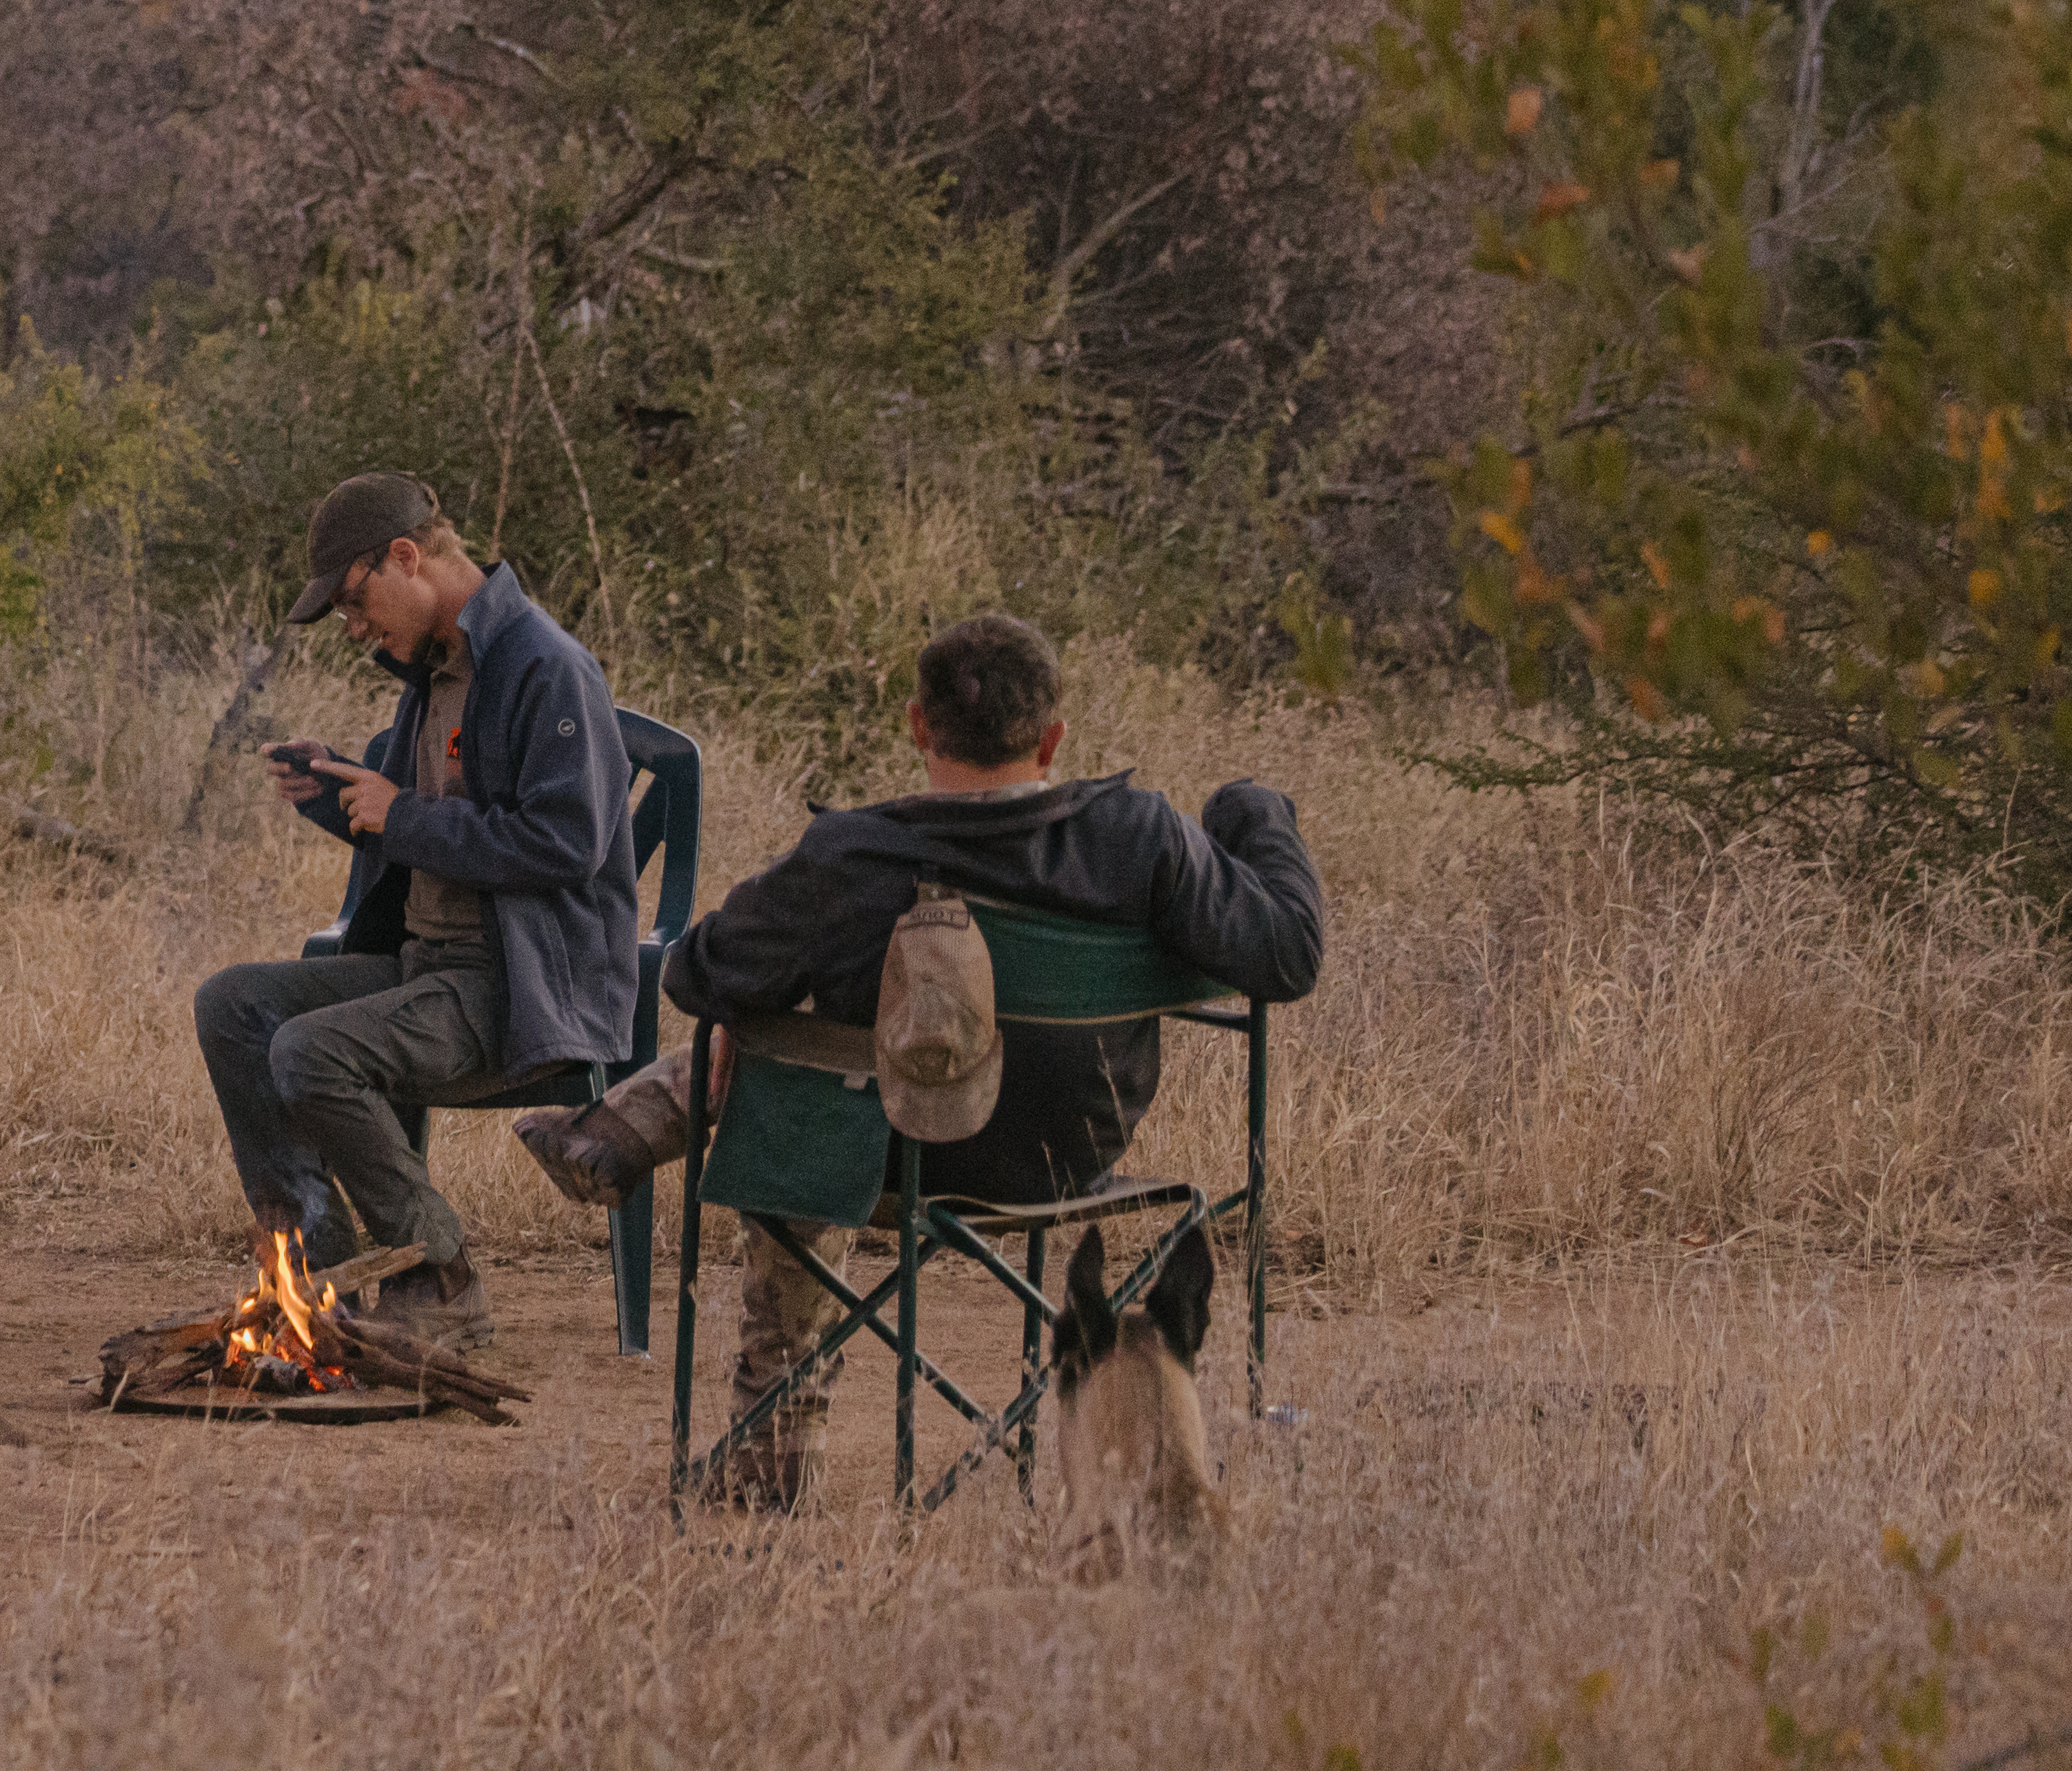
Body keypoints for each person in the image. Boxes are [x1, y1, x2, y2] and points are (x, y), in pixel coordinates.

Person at [506, 610, 1321, 1510]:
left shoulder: (855, 853)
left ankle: (773, 1452)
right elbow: (1286, 957)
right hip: (1068, 1159)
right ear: (1053, 736)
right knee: (809, 1075)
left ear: (917, 726)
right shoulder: (1141, 838)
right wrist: (1255, 813)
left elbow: (699, 971)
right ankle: (633, 1125)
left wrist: (754, 1009)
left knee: (803, 1089)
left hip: (890, 1157)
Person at [188, 473, 636, 1351]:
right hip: (434, 970)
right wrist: (336, 790)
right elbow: (413, 824)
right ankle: (318, 1278)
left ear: (407, 556)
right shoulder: (436, 670)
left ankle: (439, 1278)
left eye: (355, 602)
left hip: (520, 985)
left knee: (309, 1050)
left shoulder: (546, 665)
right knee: (232, 1004)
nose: (354, 628)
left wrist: (404, 812)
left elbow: (566, 843)